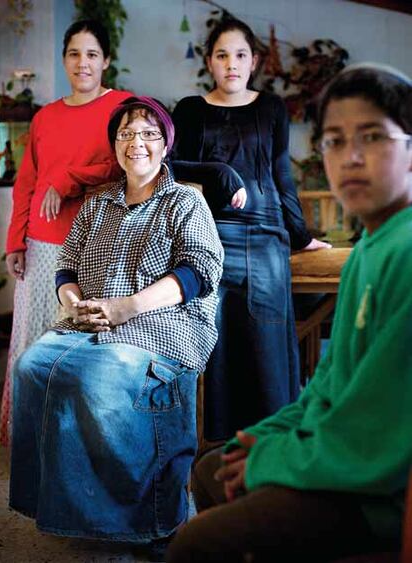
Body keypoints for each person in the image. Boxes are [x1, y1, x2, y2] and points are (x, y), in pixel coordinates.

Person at [166, 63, 412, 562]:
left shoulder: (405, 252)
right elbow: (328, 384)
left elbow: (374, 431)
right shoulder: (369, 246)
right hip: (344, 453)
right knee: (210, 467)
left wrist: (275, 458)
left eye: (372, 137)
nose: (352, 157)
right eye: (335, 142)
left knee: (194, 543)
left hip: (378, 495)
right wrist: (268, 434)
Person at [9, 96, 223, 559]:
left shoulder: (185, 200)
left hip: (162, 325)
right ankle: (73, 507)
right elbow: (67, 268)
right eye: (126, 133)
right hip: (90, 323)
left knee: (100, 375)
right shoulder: (98, 203)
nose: (136, 142)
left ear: (165, 143)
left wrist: (128, 307)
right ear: (115, 145)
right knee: (30, 367)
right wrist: (74, 301)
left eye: (148, 133)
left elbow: (199, 272)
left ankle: (149, 516)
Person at [172, 18, 329, 442]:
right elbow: (170, 167)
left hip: (265, 237)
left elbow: (282, 176)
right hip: (210, 234)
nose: (232, 64)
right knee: (219, 341)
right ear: (209, 61)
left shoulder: (270, 108)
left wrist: (300, 235)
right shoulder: (190, 109)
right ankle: (222, 445)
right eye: (222, 55)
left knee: (267, 340)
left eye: (240, 55)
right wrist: (218, 172)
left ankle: (275, 441)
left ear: (254, 60)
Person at [0, 19, 133, 446]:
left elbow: (123, 162)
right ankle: (28, 439)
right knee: (31, 342)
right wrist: (15, 240)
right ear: (64, 60)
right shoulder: (45, 116)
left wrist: (70, 178)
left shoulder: (123, 106)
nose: (83, 63)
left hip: (96, 244)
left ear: (107, 61)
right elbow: (27, 182)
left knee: (81, 347)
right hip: (40, 244)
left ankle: (76, 442)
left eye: (92, 54)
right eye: (74, 54)